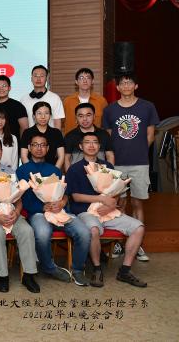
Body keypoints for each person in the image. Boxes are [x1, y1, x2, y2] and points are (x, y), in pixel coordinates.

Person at [66, 132, 147, 287]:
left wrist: (111, 204)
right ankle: (97, 269)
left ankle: (125, 271)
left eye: (95, 142)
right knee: (93, 230)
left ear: (99, 146)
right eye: (87, 142)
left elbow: (115, 190)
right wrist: (101, 199)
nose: (91, 145)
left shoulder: (108, 167)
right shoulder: (74, 169)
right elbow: (75, 197)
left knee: (138, 227)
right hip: (85, 212)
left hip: (109, 211)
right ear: (81, 146)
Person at [16, 133, 91, 286]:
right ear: (29, 148)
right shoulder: (21, 171)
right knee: (42, 234)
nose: (39, 148)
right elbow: (22, 199)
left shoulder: (55, 170)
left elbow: (65, 193)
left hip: (59, 211)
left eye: (43, 145)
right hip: (37, 213)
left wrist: (62, 202)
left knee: (84, 232)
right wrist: (42, 207)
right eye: (35, 145)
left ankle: (77, 269)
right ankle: (49, 267)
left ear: (48, 148)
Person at [102, 73, 158, 262]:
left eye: (129, 82)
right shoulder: (110, 110)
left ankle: (137, 243)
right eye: (122, 83)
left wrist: (139, 151)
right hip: (117, 164)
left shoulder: (147, 107)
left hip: (140, 163)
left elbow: (150, 135)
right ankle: (119, 241)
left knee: (137, 203)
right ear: (117, 88)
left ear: (136, 86)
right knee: (120, 203)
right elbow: (109, 138)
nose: (126, 85)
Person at [0, 136, 40, 293]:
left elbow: (19, 198)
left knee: (26, 230)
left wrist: (16, 213)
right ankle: (3, 276)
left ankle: (29, 275)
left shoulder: (10, 172)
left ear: (2, 151)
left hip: (11, 213)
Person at [63, 103, 114, 171]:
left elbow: (110, 155)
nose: (85, 119)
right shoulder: (70, 136)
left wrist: (110, 173)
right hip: (77, 173)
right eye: (81, 116)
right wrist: (69, 175)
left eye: (88, 115)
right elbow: (67, 158)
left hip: (100, 174)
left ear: (94, 116)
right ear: (76, 118)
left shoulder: (104, 134)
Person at [62, 68, 108, 134]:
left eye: (88, 78)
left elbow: (105, 123)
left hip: (95, 138)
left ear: (92, 81)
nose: (85, 80)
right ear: (76, 82)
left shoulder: (101, 101)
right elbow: (62, 122)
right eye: (81, 78)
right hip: (72, 138)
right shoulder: (67, 101)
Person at [20, 102, 65, 169]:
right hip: (31, 171)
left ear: (50, 115)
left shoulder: (56, 133)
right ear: (34, 116)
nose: (43, 117)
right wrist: (32, 171)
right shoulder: (27, 132)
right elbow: (24, 156)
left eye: (46, 113)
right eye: (39, 113)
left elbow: (61, 156)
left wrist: (54, 172)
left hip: (52, 170)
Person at [20, 65, 65, 129]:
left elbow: (57, 124)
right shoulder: (24, 99)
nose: (38, 79)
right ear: (31, 79)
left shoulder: (55, 98)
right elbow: (22, 125)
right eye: (35, 76)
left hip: (49, 135)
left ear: (46, 78)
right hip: (29, 135)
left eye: (42, 76)